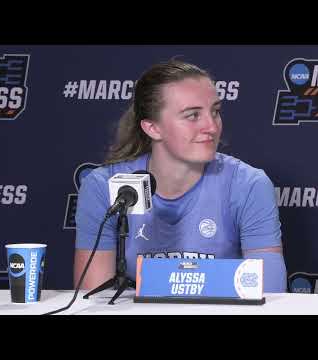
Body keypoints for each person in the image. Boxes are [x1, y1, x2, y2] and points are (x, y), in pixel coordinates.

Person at [74, 60, 287, 293]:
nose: (212, 127)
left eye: (215, 111)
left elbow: (269, 295)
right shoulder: (105, 186)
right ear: (152, 128)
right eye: (193, 115)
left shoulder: (248, 185)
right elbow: (94, 298)